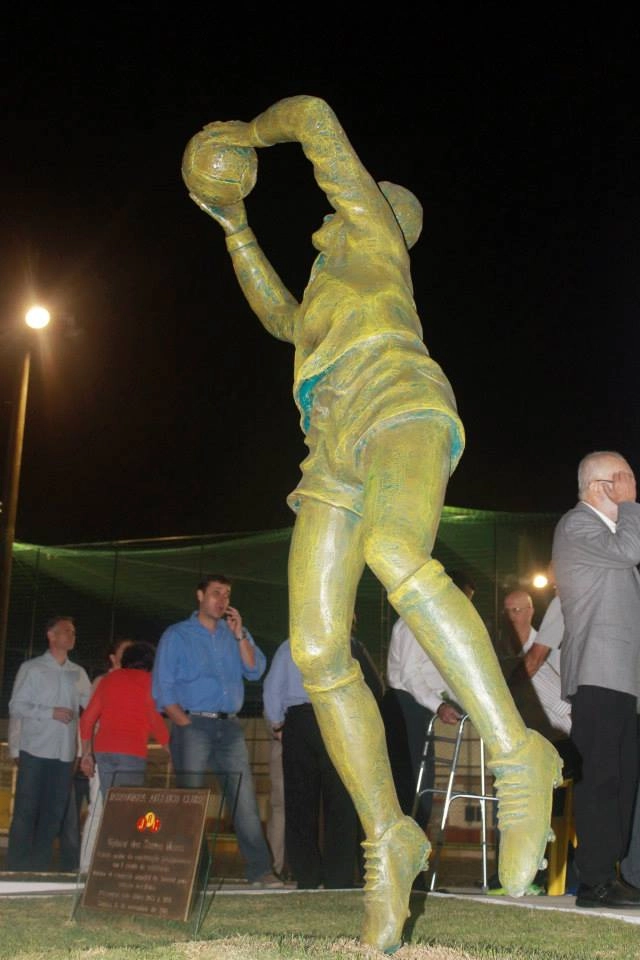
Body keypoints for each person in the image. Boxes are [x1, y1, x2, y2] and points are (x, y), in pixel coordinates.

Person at [188, 95, 560, 950]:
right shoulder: (325, 286)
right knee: (317, 649)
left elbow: (315, 116)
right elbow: (280, 317)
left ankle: (516, 751)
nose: (335, 204)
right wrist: (233, 224)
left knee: (396, 548)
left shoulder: (376, 237)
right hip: (332, 443)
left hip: (398, 404)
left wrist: (248, 135)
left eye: (356, 194)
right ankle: (390, 835)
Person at [152, 573, 281, 887]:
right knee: (191, 801)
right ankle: (193, 873)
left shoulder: (235, 634)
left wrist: (239, 637)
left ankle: (260, 870)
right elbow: (162, 687)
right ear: (199, 596)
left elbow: (255, 670)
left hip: (230, 726)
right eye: (215, 593)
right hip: (193, 722)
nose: (222, 600)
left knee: (245, 800)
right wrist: (183, 722)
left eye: (226, 594)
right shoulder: (177, 635)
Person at [552, 450, 640, 908]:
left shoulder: (609, 532)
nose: (631, 486)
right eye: (623, 479)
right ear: (599, 486)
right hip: (597, 674)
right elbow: (633, 550)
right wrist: (631, 507)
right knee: (601, 777)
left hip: (624, 679)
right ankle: (595, 880)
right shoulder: (577, 525)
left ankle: (612, 872)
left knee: (623, 778)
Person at [263, 638, 360, 889]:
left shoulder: (291, 644)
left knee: (299, 806)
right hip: (335, 718)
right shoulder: (343, 643)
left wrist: (278, 725)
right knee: (341, 804)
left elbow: (272, 688)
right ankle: (339, 878)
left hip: (299, 720)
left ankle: (306, 877)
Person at [7, 616, 91, 871]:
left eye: (74, 631)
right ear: (51, 636)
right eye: (66, 631)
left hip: (65, 754)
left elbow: (93, 705)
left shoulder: (78, 672)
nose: (72, 635)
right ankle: (17, 867)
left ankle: (40, 866)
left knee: (54, 813)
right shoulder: (31, 668)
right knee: (26, 810)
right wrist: (50, 712)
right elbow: (16, 706)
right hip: (34, 750)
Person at [383, 617, 463, 831]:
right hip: (404, 705)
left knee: (421, 781)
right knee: (411, 784)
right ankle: (407, 848)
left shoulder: (433, 624)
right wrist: (439, 706)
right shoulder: (414, 622)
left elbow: (442, 675)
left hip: (416, 707)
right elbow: (410, 674)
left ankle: (415, 844)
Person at [80, 641, 169, 798]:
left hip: (103, 751)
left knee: (109, 804)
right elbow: (155, 721)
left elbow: (87, 719)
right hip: (131, 750)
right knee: (125, 808)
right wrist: (171, 749)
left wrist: (87, 753)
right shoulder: (149, 682)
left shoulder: (109, 679)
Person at [79, 638, 133, 872]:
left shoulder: (137, 682)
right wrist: (87, 754)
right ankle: (86, 866)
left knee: (123, 812)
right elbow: (89, 721)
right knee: (99, 809)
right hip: (104, 754)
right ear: (112, 658)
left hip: (128, 756)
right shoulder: (103, 681)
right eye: (125, 650)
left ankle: (115, 866)